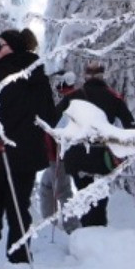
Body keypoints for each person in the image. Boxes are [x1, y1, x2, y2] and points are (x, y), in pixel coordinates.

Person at [0, 28, 56, 269]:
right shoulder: (37, 77)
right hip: (25, 150)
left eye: (0, 46)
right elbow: (49, 116)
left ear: (14, 47)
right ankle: (20, 253)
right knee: (19, 203)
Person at [54, 60, 135, 229]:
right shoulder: (114, 97)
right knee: (100, 198)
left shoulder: (72, 97)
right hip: (101, 157)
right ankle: (97, 232)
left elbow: (53, 120)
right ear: (102, 75)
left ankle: (87, 231)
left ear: (85, 76)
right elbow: (131, 127)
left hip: (76, 155)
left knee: (83, 194)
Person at [38, 72, 78, 221]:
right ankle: (49, 221)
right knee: (47, 186)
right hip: (56, 154)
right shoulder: (71, 100)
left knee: (63, 191)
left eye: (57, 83)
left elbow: (57, 130)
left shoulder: (67, 104)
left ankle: (72, 227)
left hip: (59, 155)